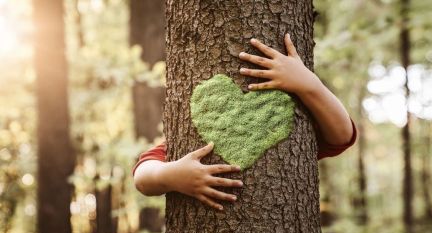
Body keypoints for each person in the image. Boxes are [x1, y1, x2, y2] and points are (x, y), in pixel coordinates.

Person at [132, 33, 357, 211]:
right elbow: (143, 175)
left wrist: (309, 84)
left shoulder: (300, 129)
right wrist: (171, 175)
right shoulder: (192, 141)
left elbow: (342, 136)